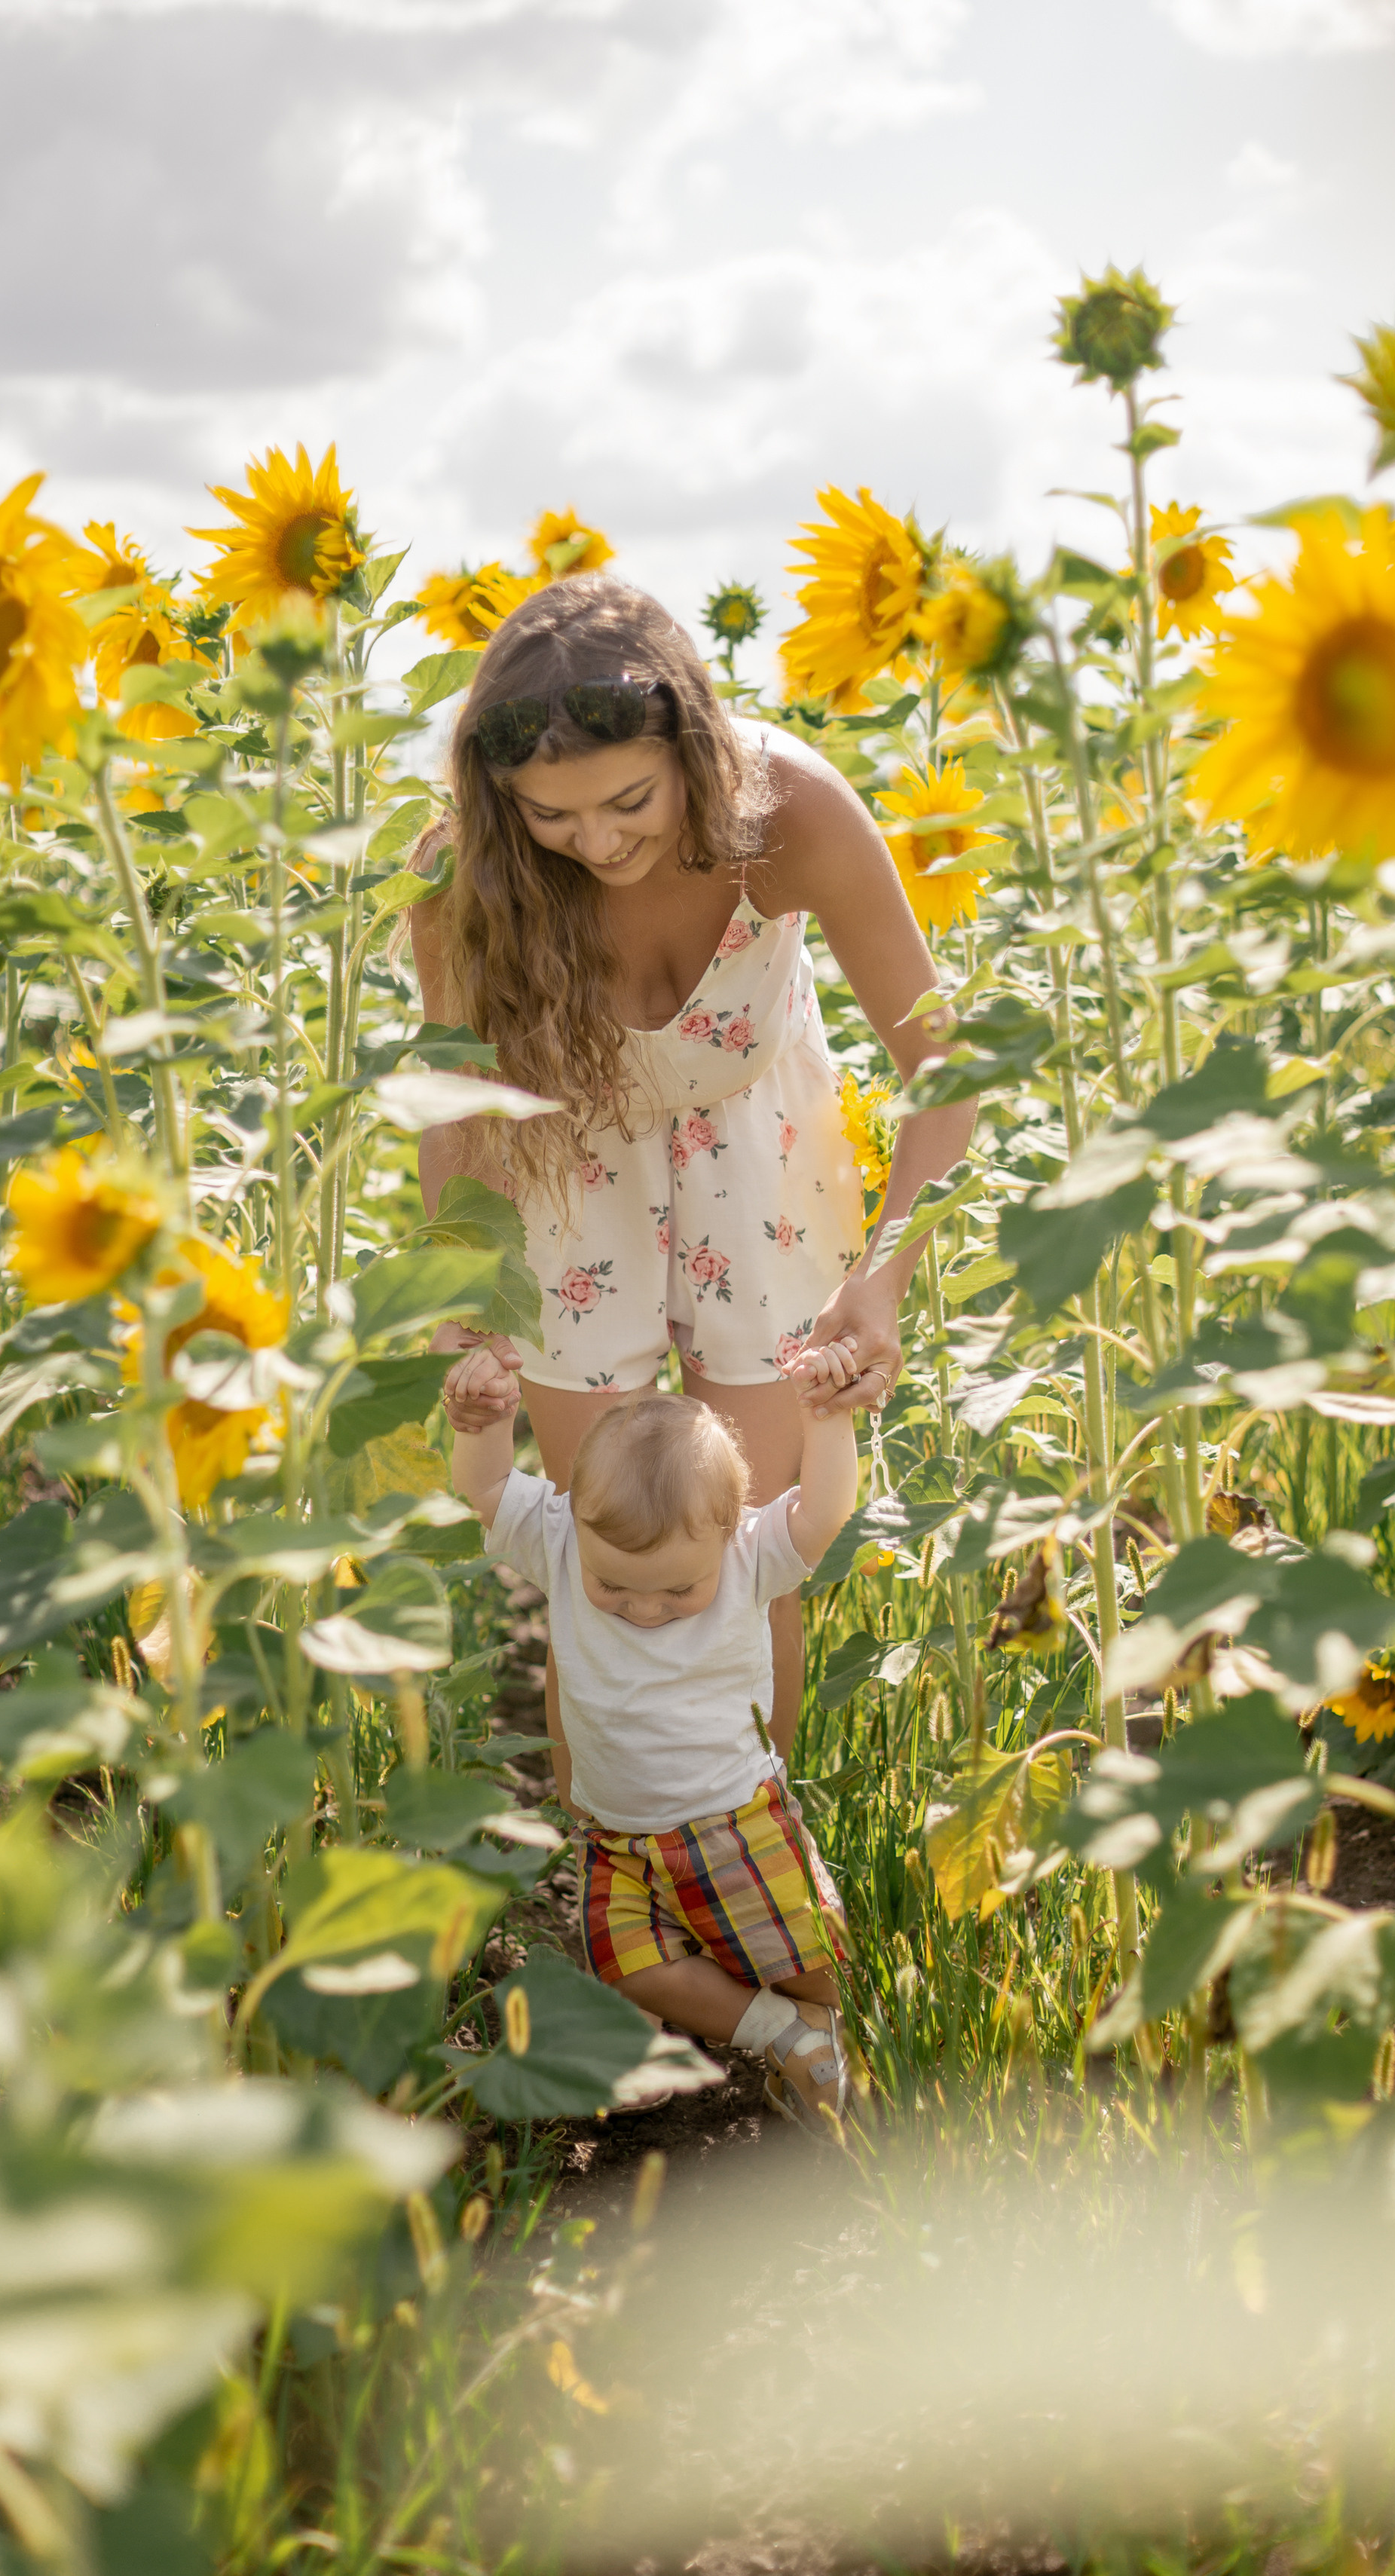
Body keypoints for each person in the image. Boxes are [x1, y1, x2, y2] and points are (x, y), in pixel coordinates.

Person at [408, 575, 977, 1783]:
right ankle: (608, 1861)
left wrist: (881, 1280)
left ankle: (758, 1847)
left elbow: (943, 1065)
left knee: (742, 1540)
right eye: (552, 818)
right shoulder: (461, 871)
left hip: (755, 1150)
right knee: (600, 1544)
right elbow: (453, 1094)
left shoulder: (794, 814)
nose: (600, 843)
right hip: (566, 1157)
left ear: (695, 750)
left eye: (628, 801)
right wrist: (463, 1282)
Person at [445, 1341, 860, 2132]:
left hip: (733, 1824)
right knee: (631, 1969)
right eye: (615, 1588)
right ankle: (780, 2034)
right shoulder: (562, 1542)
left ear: (731, 1533)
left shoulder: (746, 1556)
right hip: (616, 1838)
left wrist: (827, 1419)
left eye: (677, 1589)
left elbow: (824, 1511)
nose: (644, 1608)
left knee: (817, 1970)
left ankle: (818, 2033)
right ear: (572, 1523)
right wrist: (483, 1419)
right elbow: (489, 1486)